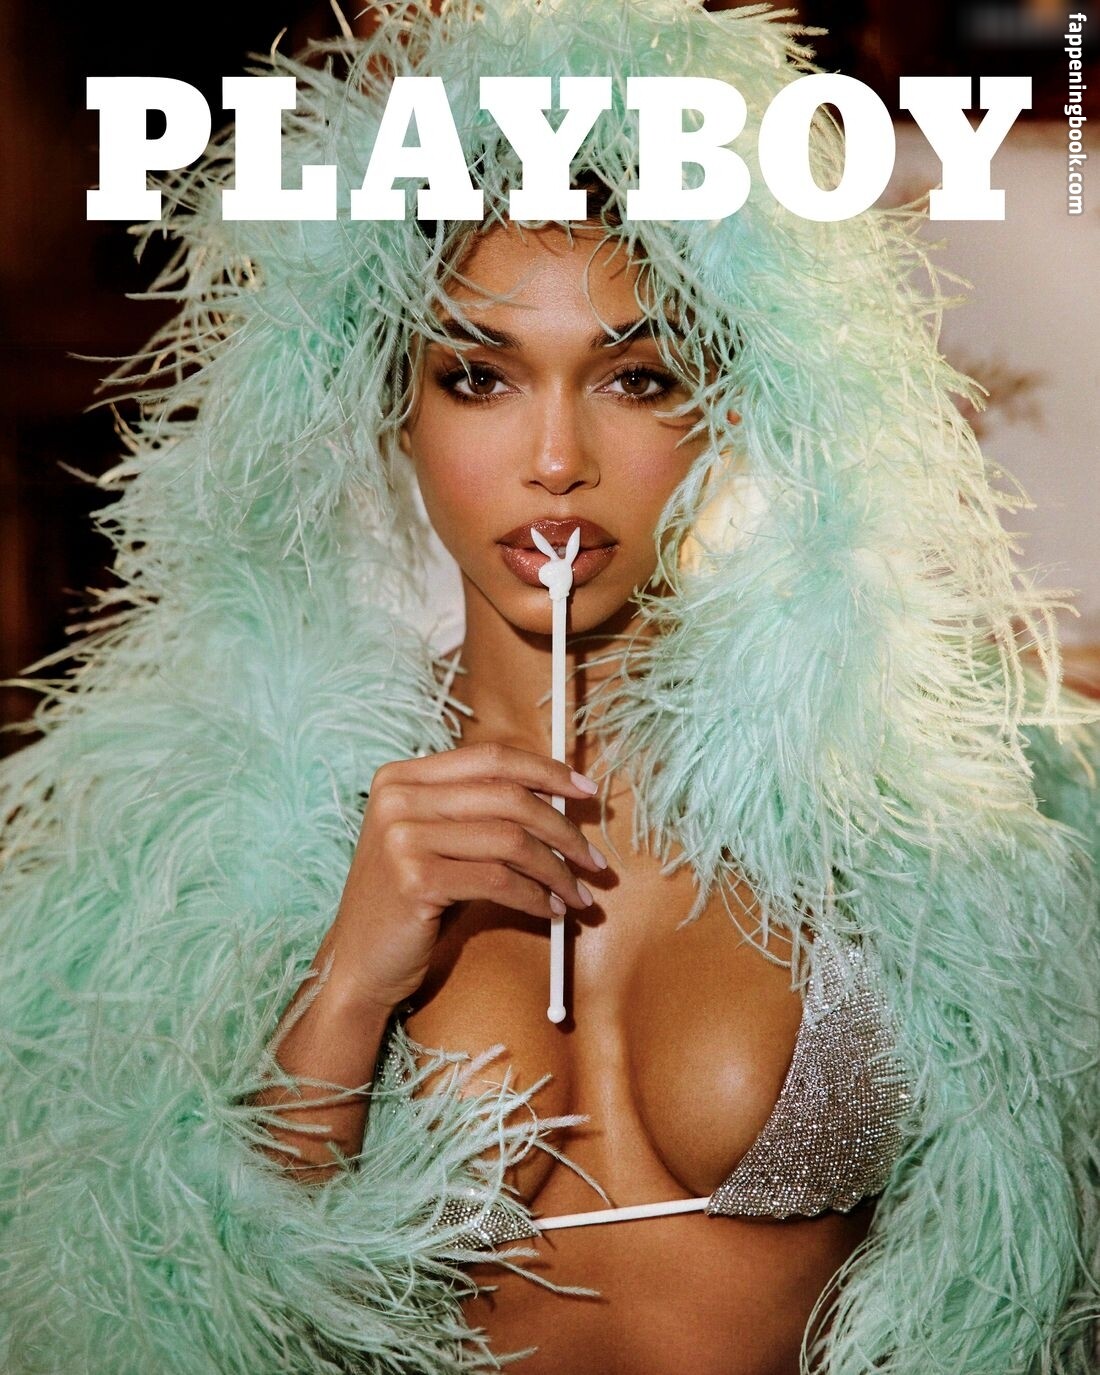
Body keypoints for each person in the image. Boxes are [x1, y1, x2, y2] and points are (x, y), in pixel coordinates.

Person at [0, 2, 1096, 1373]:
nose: (558, 458)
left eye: (636, 378)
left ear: (725, 402)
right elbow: (175, 1309)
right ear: (394, 407)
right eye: (479, 377)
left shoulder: (901, 801)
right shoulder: (230, 843)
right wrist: (348, 984)